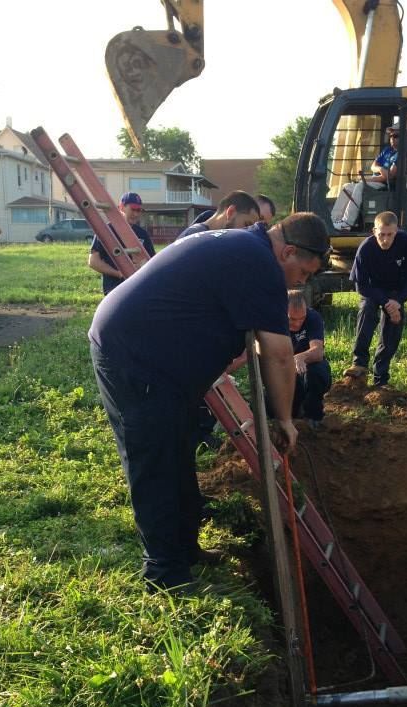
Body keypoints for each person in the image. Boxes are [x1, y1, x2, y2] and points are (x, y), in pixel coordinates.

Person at [88, 212, 330, 592]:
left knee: (179, 450)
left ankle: (185, 549)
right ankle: (165, 575)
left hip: (161, 360)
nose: (303, 281)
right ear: (288, 252)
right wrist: (284, 419)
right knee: (154, 461)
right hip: (135, 356)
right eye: (304, 271)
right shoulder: (259, 263)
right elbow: (280, 354)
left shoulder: (246, 247)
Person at [344, 211, 407, 388]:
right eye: (381, 235)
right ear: (374, 231)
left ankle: (381, 378)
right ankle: (359, 363)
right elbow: (360, 285)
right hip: (372, 291)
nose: (385, 240)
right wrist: (385, 301)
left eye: (390, 234)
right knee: (367, 310)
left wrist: (398, 301)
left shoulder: (406, 244)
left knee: (393, 328)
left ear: (397, 230)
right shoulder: (366, 248)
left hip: (396, 292)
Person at [330, 124, 399, 232]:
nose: (392, 139)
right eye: (390, 136)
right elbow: (373, 166)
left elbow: (389, 177)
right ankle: (334, 219)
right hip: (376, 179)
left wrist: (367, 180)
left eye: (395, 136)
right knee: (347, 186)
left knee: (360, 186)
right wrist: (381, 169)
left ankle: (347, 222)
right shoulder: (387, 150)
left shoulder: (401, 154)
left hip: (385, 185)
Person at [88, 192, 156, 295]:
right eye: (133, 209)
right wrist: (119, 274)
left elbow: (151, 262)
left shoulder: (142, 234)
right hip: (114, 290)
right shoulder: (106, 231)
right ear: (121, 207)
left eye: (139, 210)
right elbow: (93, 261)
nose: (136, 214)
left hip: (137, 289)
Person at [286, 289, 332, 427]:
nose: (298, 324)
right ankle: (292, 414)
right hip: (284, 369)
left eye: (302, 318)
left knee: (317, 373)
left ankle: (313, 415)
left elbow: (317, 352)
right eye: (292, 319)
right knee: (270, 405)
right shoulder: (274, 321)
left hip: (308, 366)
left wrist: (301, 357)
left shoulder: (313, 317)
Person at [179, 191, 260, 238]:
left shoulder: (209, 236)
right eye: (246, 224)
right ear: (230, 212)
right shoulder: (195, 237)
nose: (248, 232)